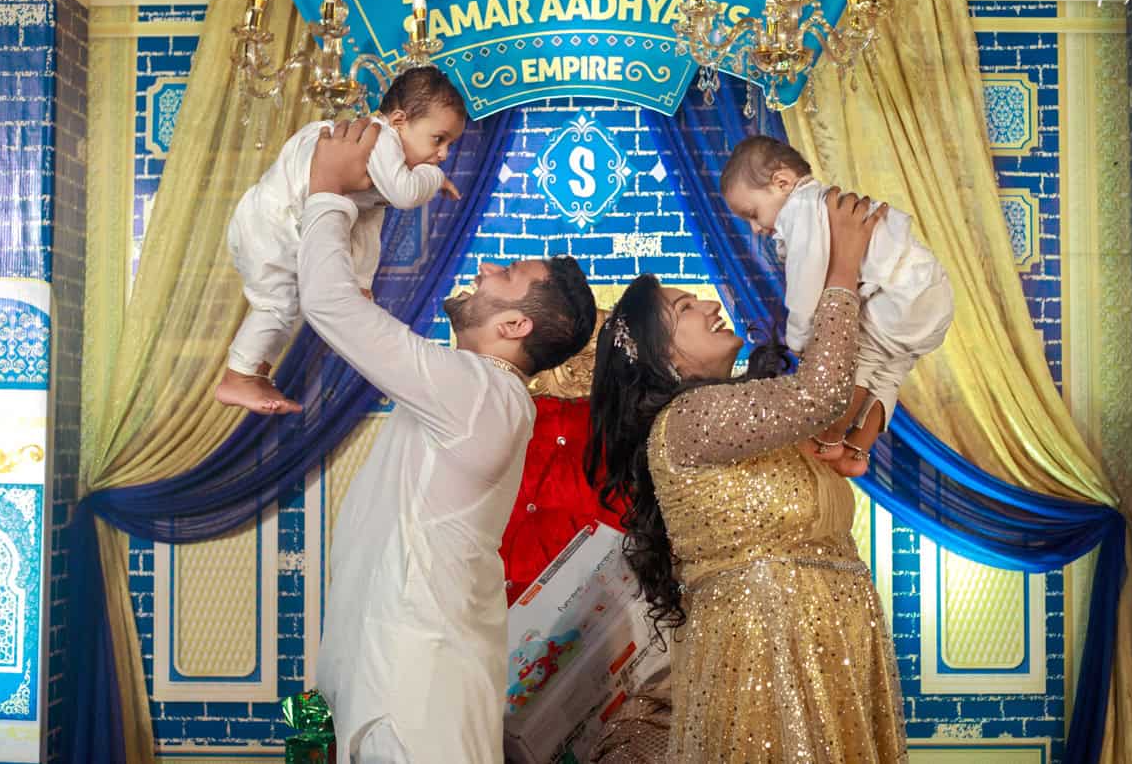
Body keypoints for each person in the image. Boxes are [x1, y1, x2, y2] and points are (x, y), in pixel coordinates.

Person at [300, 118, 597, 764]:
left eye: (507, 271)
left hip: (416, 683)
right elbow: (351, 302)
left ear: (515, 323)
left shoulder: (476, 392)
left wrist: (325, 188)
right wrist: (364, 203)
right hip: (404, 667)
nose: (486, 266)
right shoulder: (472, 390)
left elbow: (328, 302)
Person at [586, 190, 909, 763]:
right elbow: (822, 390)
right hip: (767, 652)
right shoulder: (687, 421)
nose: (709, 304)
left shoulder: (749, 414)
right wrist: (841, 265)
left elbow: (841, 396)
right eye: (684, 309)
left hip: (828, 643)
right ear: (664, 359)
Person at [216, 66, 466, 416]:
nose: (442, 154)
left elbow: (364, 226)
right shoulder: (379, 138)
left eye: (449, 145)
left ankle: (254, 373)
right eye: (438, 139)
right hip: (271, 223)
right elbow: (406, 194)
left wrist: (360, 281)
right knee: (277, 305)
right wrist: (433, 177)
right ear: (398, 120)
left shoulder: (378, 161)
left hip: (280, 224)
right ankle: (236, 378)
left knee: (288, 305)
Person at [720, 135, 953, 476]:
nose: (755, 228)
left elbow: (807, 277)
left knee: (860, 361)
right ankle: (857, 451)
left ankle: (829, 439)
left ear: (782, 183)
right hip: (928, 294)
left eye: (752, 213)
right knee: (889, 372)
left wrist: (799, 338)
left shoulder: (802, 207)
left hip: (902, 292)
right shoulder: (822, 204)